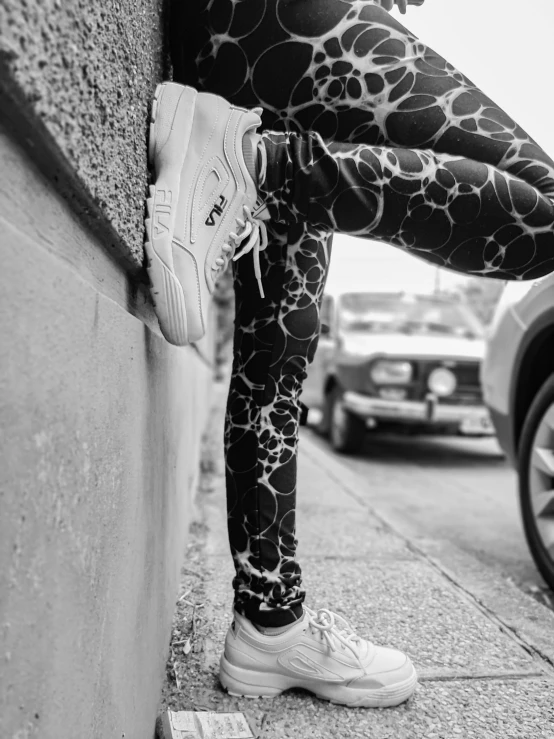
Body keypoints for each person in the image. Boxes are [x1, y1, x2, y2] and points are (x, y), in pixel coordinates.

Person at [143, 0, 554, 707]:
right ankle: (249, 164)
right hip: (271, 22)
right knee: (541, 208)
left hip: (243, 51)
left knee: (277, 363)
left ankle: (268, 622)